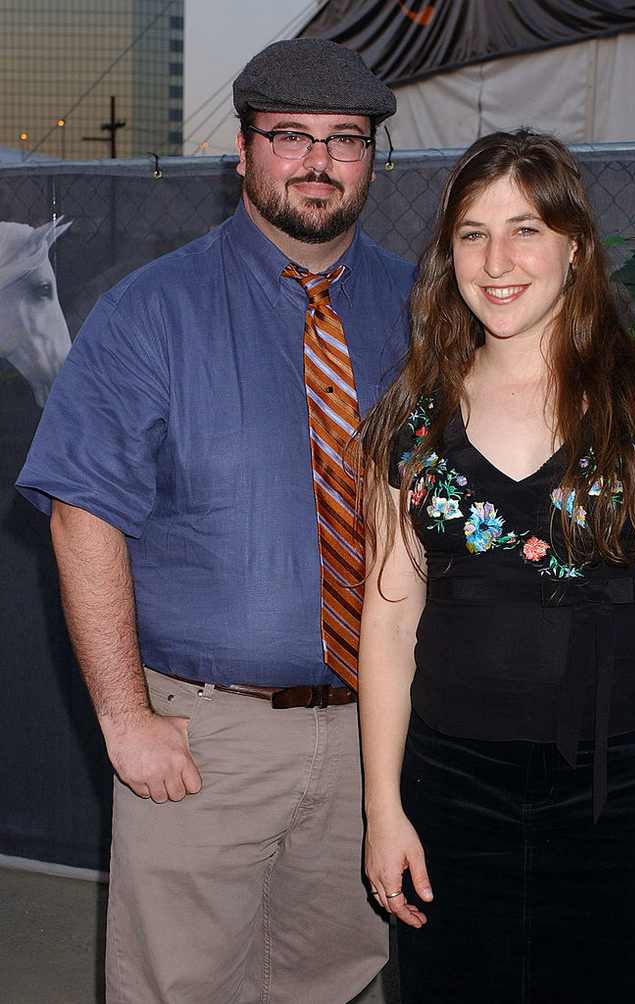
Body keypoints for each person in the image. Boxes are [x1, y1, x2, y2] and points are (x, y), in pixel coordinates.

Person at [16, 37, 415, 1004]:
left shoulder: (423, 308)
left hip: (379, 729)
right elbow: (83, 516)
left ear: (371, 161)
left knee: (333, 979)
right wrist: (127, 719)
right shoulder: (149, 312)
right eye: (290, 136)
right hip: (205, 739)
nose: (318, 160)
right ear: (242, 152)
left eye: (346, 139)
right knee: (178, 987)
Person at [356, 130, 635, 1003]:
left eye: (525, 229)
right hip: (451, 786)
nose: (497, 260)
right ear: (449, 256)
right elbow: (391, 624)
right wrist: (383, 811)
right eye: (473, 233)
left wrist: (612, 661)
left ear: (574, 246)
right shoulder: (408, 421)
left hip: (621, 790)